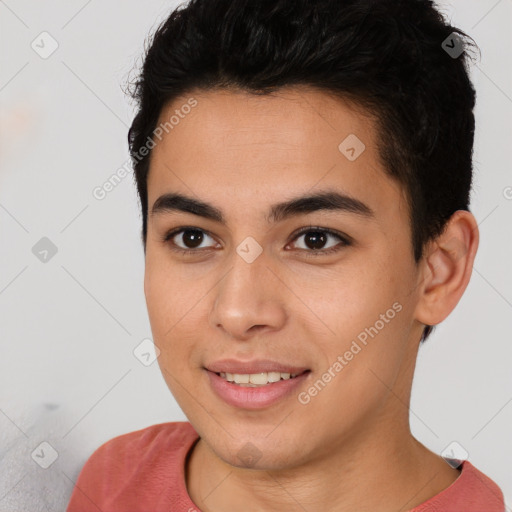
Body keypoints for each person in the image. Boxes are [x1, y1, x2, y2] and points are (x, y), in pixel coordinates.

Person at [66, 0, 506, 510]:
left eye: (315, 239)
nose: (238, 311)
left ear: (438, 271)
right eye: (192, 238)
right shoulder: (111, 482)